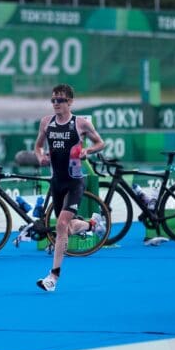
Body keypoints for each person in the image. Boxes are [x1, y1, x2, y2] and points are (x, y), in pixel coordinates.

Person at [33, 83, 106, 292]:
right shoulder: (46, 123)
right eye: (53, 100)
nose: (56, 104)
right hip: (57, 182)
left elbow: (100, 143)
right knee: (67, 227)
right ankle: (93, 224)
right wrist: (40, 157)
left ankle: (53, 276)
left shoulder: (80, 124)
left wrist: (88, 151)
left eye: (60, 100)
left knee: (62, 224)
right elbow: (38, 145)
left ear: (70, 102)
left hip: (74, 181)